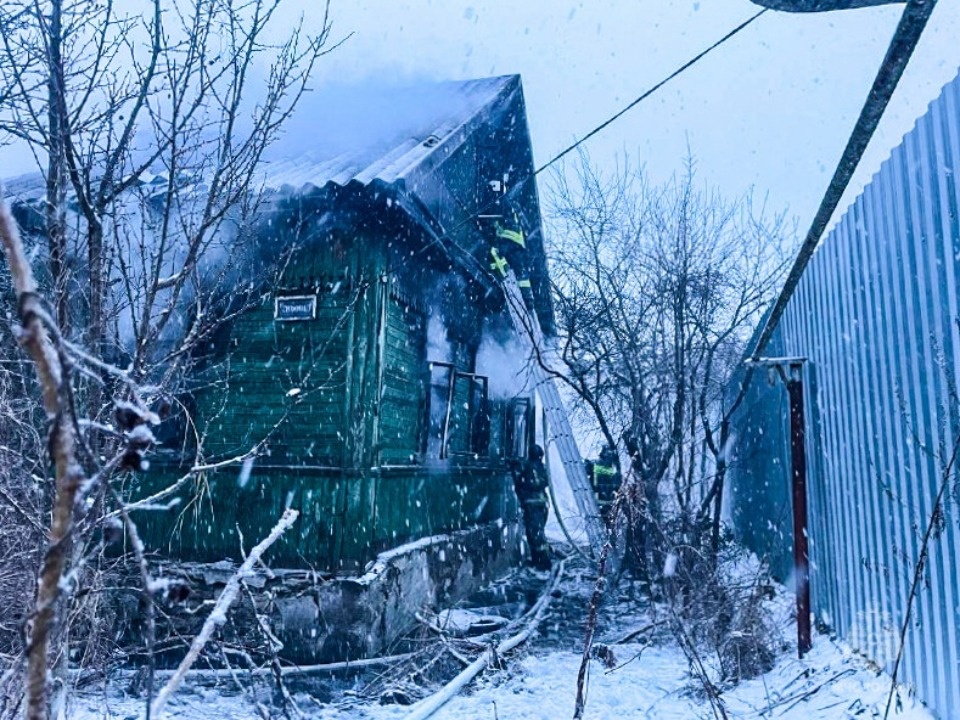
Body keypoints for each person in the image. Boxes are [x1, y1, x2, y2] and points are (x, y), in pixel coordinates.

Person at [512, 444, 551, 571]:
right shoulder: (541, 467)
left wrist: (514, 469)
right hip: (542, 504)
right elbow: (544, 482)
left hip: (532, 505)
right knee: (537, 532)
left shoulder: (528, 467)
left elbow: (521, 483)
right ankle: (539, 560)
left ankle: (542, 563)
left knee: (535, 534)